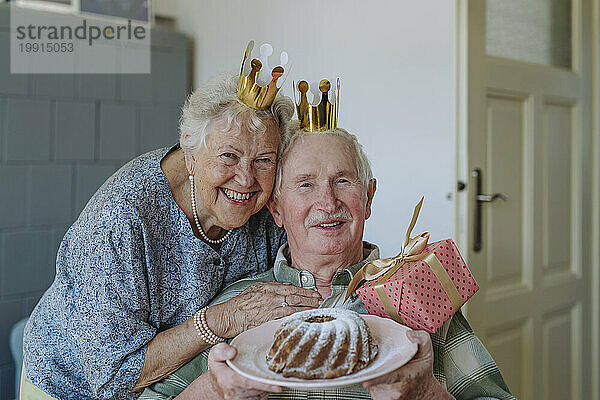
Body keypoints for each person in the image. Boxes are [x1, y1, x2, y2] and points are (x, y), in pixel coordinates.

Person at [139, 124, 516, 400]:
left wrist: (427, 395)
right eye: (305, 184)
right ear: (276, 208)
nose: (328, 203)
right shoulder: (238, 307)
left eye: (343, 182)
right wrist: (213, 390)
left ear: (368, 198)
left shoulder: (416, 292)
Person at [21, 73, 323, 400]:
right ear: (191, 154)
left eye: (263, 160)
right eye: (229, 156)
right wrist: (222, 319)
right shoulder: (123, 217)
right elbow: (114, 377)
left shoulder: (264, 204)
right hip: (71, 386)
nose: (246, 178)